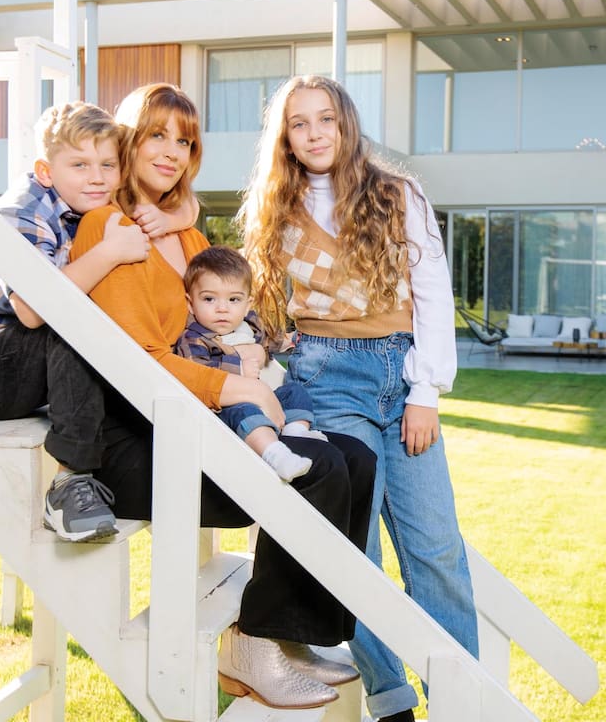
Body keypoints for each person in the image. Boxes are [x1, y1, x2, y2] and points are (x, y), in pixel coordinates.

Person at [69, 83, 377, 710]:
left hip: (195, 416)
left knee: (356, 459)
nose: (172, 152)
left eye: (185, 142)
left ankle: (294, 635)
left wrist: (252, 353)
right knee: (319, 468)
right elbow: (139, 363)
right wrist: (236, 384)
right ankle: (253, 643)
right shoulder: (108, 229)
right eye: (157, 135)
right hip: (138, 436)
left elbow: (221, 322)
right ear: (129, 141)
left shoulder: (184, 236)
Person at [237, 75, 478, 722]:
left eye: (326, 119)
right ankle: (391, 698)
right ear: (285, 138)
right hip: (327, 375)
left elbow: (433, 292)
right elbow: (256, 303)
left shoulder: (398, 194)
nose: (315, 133)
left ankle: (462, 700)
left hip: (403, 375)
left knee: (436, 547)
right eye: (299, 123)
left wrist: (425, 391)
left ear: (346, 123)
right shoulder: (274, 208)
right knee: (357, 547)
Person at [0, 101, 198, 543]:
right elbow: (33, 309)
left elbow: (181, 201)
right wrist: (110, 252)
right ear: (45, 171)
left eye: (107, 165)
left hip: (21, 366)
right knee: (73, 321)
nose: (96, 177)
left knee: (92, 315)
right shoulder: (21, 211)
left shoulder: (87, 205)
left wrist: (178, 216)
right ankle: (69, 482)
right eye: (79, 165)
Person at [177, 245, 332, 482]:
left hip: (262, 404)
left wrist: (287, 340)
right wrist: (237, 367)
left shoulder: (248, 325)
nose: (222, 308)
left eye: (233, 299)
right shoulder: (194, 338)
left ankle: (296, 432)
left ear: (247, 303)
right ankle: (276, 455)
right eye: (209, 299)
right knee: (244, 411)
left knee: (294, 391)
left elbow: (267, 339)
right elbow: (196, 372)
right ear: (190, 303)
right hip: (225, 410)